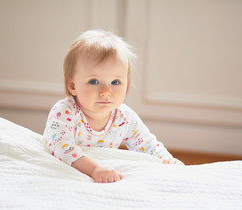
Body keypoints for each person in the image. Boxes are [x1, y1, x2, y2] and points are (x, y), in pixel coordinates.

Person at [43, 30, 184, 183]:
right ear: (72, 85)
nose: (106, 92)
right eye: (94, 82)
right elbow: (62, 147)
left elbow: (146, 143)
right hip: (66, 173)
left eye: (115, 82)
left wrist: (165, 159)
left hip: (103, 173)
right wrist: (94, 169)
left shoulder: (124, 117)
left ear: (127, 86)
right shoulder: (64, 112)